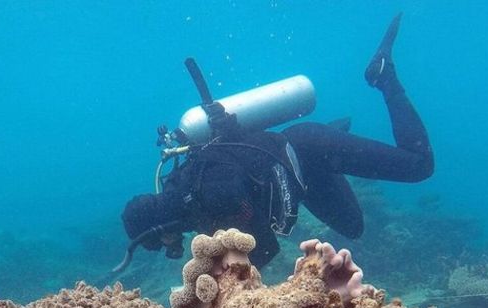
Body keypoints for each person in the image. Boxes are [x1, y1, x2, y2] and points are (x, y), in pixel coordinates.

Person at [120, 13, 434, 269]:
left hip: (308, 148)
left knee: (419, 166)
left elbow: (266, 248)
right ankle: (337, 135)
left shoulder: (210, 195)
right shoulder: (187, 189)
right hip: (303, 176)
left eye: (157, 243)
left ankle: (384, 76)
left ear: (159, 228)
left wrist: (223, 283)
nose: (167, 248)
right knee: (354, 227)